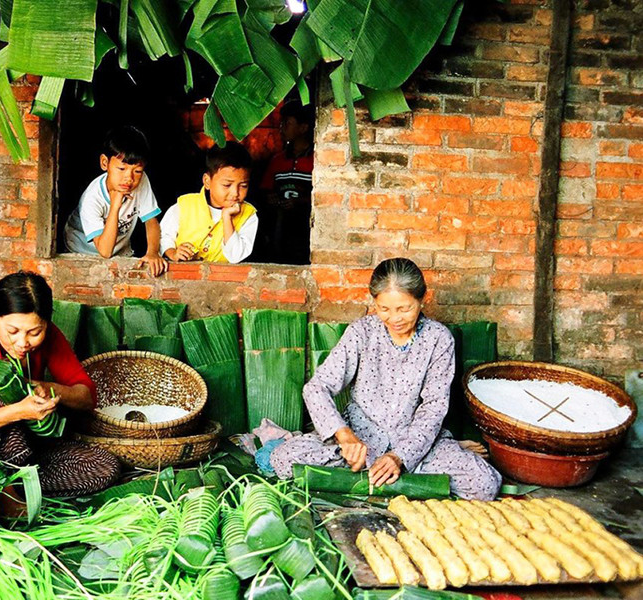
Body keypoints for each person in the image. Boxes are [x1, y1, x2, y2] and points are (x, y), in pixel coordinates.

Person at [270, 258, 502, 501]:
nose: (395, 318)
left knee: (484, 484)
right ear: (375, 303)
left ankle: (418, 461)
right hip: (362, 439)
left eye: (405, 308)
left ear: (422, 300)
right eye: (384, 309)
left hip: (414, 442)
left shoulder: (438, 339)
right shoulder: (362, 332)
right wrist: (345, 436)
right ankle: (404, 477)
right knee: (283, 460)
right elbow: (317, 387)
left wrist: (399, 456)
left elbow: (433, 408)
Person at [0, 271, 120, 497]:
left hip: (20, 446)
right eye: (12, 331)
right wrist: (20, 411)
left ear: (46, 323)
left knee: (105, 466)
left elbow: (86, 396)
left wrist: (45, 388)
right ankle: (2, 490)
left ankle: (7, 486)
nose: (23, 342)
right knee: (0, 382)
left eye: (35, 332)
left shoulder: (50, 336)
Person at [64, 126, 167, 277]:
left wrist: (152, 252)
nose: (129, 178)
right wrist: (115, 206)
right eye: (121, 168)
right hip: (81, 251)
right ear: (105, 163)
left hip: (120, 250)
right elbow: (105, 251)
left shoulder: (142, 181)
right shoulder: (92, 198)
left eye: (137, 171)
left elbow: (151, 221)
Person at [159, 141, 259, 264]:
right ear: (207, 181)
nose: (235, 193)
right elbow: (163, 236)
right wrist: (172, 253)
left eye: (243, 186)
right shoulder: (184, 205)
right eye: (227, 185)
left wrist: (227, 218)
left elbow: (235, 256)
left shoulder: (249, 215)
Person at [259, 100, 314, 264]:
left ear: (303, 128)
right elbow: (265, 190)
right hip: (280, 227)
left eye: (287, 123)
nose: (281, 127)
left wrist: (300, 202)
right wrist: (272, 198)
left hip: (306, 228)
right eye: (281, 123)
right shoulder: (277, 160)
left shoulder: (317, 159)